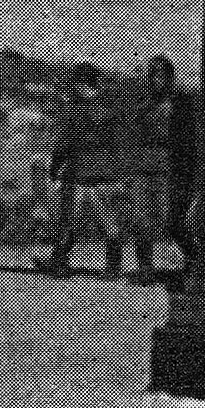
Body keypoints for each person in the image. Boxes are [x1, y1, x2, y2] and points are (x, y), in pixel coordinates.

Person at [38, 62, 131, 280]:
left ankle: (59, 263)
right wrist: (119, 171)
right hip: (102, 174)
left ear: (79, 84)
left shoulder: (75, 109)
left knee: (69, 219)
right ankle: (113, 267)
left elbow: (64, 142)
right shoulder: (106, 109)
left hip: (78, 172)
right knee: (107, 220)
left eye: (75, 83)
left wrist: (54, 167)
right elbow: (117, 145)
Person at [139, 53, 196, 274]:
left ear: (168, 77)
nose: (153, 79)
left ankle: (194, 258)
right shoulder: (143, 103)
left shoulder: (180, 102)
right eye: (150, 74)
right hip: (144, 166)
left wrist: (188, 175)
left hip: (171, 169)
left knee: (171, 221)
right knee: (141, 219)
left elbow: (188, 141)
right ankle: (145, 267)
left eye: (158, 75)